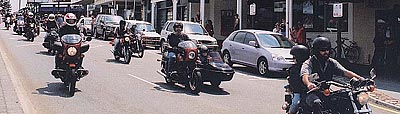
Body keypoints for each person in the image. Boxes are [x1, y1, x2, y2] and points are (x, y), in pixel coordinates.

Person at [300, 37, 365, 113]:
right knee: (316, 103)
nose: (326, 52)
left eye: (327, 49)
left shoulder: (331, 62)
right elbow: (305, 75)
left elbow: (345, 72)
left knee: (343, 99)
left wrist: (360, 78)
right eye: (323, 50)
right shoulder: (309, 62)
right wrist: (309, 84)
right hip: (312, 93)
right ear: (316, 51)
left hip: (326, 92)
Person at [287, 45, 309, 114]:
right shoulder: (294, 69)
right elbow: (293, 81)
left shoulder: (309, 66)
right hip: (298, 90)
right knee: (296, 103)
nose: (293, 59)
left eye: (294, 57)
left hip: (308, 90)